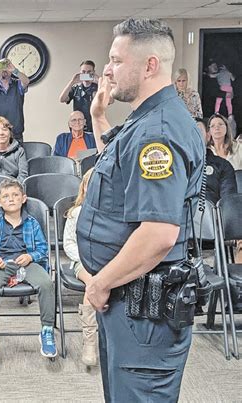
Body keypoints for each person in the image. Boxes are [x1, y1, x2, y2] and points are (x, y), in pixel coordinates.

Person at [77, 18, 205, 402]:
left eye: (116, 60)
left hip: (142, 311)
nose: (108, 70)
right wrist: (99, 119)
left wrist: (99, 284)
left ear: (149, 65)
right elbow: (120, 176)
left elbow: (158, 234)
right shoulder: (147, 117)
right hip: (130, 302)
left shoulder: (157, 132)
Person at [0, 178, 56, 360]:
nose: (11, 199)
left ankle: (47, 330)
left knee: (46, 283)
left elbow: (43, 249)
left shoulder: (32, 223)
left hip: (27, 263)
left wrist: (30, 257)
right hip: (2, 264)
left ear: (24, 198)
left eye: (15, 195)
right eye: (5, 196)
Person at [63, 168, 98, 366]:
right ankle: (90, 342)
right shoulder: (76, 213)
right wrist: (89, 259)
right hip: (83, 263)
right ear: (83, 188)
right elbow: (68, 244)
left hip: (108, 263)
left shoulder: (115, 214)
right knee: (93, 283)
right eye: (88, 184)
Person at [196, 118, 237, 204]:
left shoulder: (223, 166)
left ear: (207, 136)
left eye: (197, 131)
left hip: (210, 215)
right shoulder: (173, 165)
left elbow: (228, 204)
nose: (192, 136)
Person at [59, 60, 99, 132]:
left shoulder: (98, 87)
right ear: (80, 73)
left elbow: (111, 100)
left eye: (89, 72)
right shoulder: (76, 88)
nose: (86, 74)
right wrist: (72, 82)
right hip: (78, 127)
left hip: (94, 127)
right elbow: (62, 99)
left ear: (93, 72)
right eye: (83, 72)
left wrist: (100, 82)